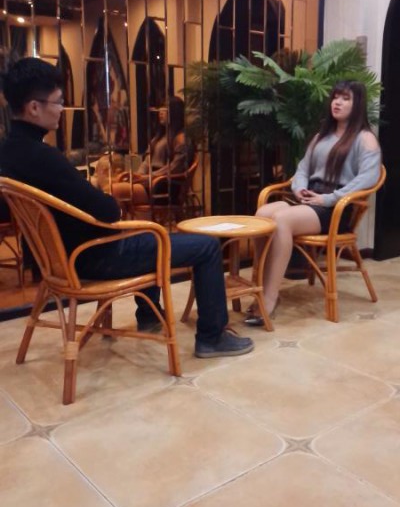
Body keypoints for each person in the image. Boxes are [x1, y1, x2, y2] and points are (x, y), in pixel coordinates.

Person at [0, 57, 253, 358]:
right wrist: (108, 201)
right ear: (34, 107)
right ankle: (212, 337)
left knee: (145, 237)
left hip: (58, 261)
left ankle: (148, 316)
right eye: (58, 102)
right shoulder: (45, 157)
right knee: (207, 246)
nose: (62, 109)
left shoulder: (8, 153)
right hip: (93, 257)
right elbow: (108, 211)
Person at [245, 80, 382, 326]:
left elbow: (368, 179)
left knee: (282, 220)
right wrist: (299, 189)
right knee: (263, 214)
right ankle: (262, 287)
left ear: (357, 104)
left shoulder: (365, 139)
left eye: (345, 98)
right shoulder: (321, 136)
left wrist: (329, 198)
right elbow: (303, 169)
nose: (337, 102)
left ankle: (270, 298)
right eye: (336, 97)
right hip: (309, 199)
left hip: (335, 207)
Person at [112, 97, 194, 217]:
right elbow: (147, 161)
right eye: (160, 108)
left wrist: (148, 178)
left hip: (164, 185)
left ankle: (117, 225)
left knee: (114, 190)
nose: (160, 111)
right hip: (149, 181)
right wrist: (138, 175)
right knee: (113, 188)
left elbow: (175, 168)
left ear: (175, 113)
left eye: (165, 108)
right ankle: (122, 224)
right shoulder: (159, 137)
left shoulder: (181, 139)